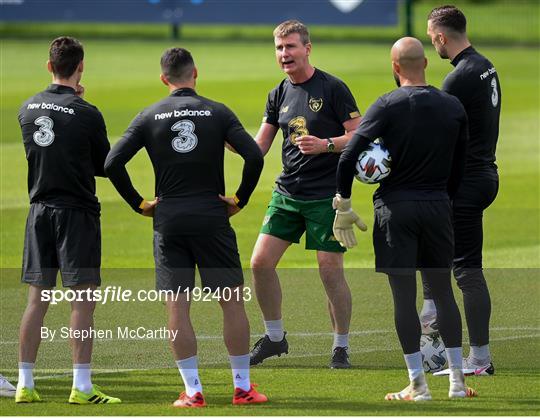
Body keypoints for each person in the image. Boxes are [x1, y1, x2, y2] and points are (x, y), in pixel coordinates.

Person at [104, 47, 267, 407]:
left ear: (164, 79)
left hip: (169, 220)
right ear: (196, 74)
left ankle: (193, 391)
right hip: (212, 217)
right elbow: (255, 155)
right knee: (231, 303)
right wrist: (239, 199)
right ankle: (242, 388)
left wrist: (139, 203)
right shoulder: (218, 111)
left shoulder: (149, 115)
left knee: (178, 306)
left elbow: (113, 162)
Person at [333, 37, 476, 401]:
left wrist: (344, 204)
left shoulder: (387, 104)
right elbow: (461, 164)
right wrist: (445, 198)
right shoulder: (453, 106)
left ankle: (417, 385)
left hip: (396, 210)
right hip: (437, 206)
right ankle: (457, 382)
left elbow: (348, 157)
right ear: (425, 63)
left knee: (403, 298)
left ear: (395, 68)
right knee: (443, 292)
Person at [248, 20, 362, 369]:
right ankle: (275, 337)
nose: (285, 54)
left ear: (307, 48)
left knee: (329, 272)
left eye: (291, 47)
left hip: (325, 197)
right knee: (259, 264)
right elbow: (260, 146)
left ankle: (340, 346)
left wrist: (327, 145)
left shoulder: (333, 88)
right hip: (287, 193)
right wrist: (220, 138)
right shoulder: (278, 93)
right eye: (280, 48)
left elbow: (359, 136)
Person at [16, 37, 119, 404]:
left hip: (38, 212)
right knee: (82, 303)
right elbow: (103, 165)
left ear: (49, 66)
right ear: (81, 67)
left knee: (36, 301)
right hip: (76, 215)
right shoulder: (87, 112)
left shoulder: (26, 108)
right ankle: (82, 387)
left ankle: (25, 384)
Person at [423, 5, 501, 376]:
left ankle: (479, 360)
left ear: (440, 37)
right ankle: (433, 319)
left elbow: (437, 136)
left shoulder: (457, 79)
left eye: (431, 38)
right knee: (443, 256)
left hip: (467, 182)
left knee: (467, 271)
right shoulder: (484, 64)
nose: (431, 45)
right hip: (485, 173)